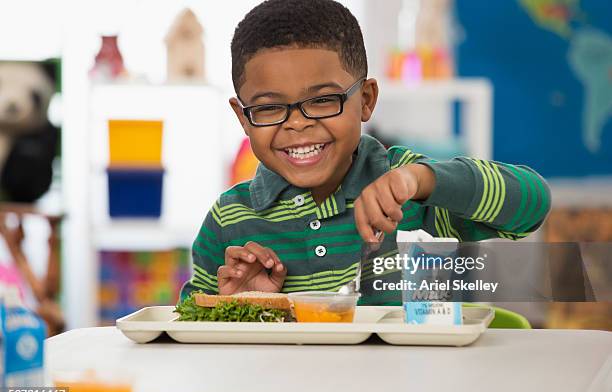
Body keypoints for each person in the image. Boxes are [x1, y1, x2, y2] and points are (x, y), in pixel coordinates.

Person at [180, 0, 550, 299]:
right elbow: (191, 336)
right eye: (269, 107)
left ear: (366, 100)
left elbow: (531, 206)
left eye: (323, 100)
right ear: (243, 118)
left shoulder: (405, 192)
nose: (296, 123)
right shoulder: (228, 222)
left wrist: (420, 180)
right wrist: (235, 307)